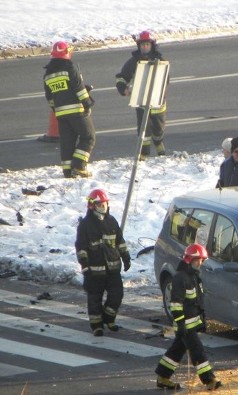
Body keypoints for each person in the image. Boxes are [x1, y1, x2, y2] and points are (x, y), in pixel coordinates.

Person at [155, 244, 222, 391]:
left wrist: (201, 321)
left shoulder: (194, 277)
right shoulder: (180, 278)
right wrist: (180, 324)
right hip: (184, 325)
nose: (200, 263)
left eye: (202, 260)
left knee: (176, 351)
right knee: (197, 351)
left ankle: (162, 377)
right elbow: (175, 305)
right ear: (189, 259)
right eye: (197, 260)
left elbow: (197, 302)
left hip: (191, 324)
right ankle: (209, 380)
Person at [75, 189, 131, 336]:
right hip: (94, 271)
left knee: (117, 295)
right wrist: (85, 266)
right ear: (92, 205)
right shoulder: (85, 225)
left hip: (113, 269)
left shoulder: (111, 221)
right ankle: (97, 326)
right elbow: (81, 247)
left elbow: (120, 242)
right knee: (94, 299)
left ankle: (109, 318)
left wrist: (126, 257)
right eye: (100, 204)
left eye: (105, 203)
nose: (103, 206)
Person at [43, 41, 96, 178]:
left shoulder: (47, 74)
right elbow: (79, 90)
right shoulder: (70, 68)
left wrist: (57, 111)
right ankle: (79, 166)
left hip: (61, 114)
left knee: (67, 142)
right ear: (66, 53)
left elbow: (49, 98)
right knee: (88, 137)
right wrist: (88, 103)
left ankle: (67, 171)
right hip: (77, 112)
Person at [115, 30, 168, 160]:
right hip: (142, 102)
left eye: (147, 45)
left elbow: (166, 79)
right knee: (143, 129)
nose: (144, 47)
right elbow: (121, 77)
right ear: (139, 46)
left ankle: (159, 142)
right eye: (142, 45)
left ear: (152, 45)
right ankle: (144, 153)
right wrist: (123, 89)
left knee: (158, 128)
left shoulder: (160, 60)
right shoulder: (134, 62)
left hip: (158, 101)